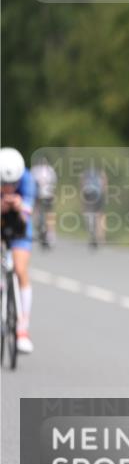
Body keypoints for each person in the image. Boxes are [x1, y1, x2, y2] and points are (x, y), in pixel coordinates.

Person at [0, 147, 36, 354]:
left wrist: (19, 205)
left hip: (19, 225)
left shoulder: (28, 179)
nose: (8, 188)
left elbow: (28, 213)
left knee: (20, 270)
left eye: (13, 184)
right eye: (4, 183)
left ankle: (22, 329)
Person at [30, 156, 57, 248]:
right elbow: (53, 183)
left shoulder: (35, 170)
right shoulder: (49, 170)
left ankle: (48, 233)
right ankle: (48, 233)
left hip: (42, 195)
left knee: (42, 213)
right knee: (48, 214)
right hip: (44, 195)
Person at [80, 163, 108, 246]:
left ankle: (92, 232)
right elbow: (104, 183)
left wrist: (82, 201)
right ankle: (101, 236)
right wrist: (105, 194)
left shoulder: (86, 173)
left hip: (87, 194)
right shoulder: (101, 172)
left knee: (88, 212)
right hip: (98, 194)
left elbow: (82, 184)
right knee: (100, 215)